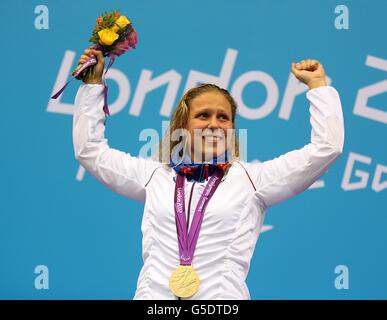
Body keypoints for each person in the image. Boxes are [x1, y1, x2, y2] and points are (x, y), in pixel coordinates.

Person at [73, 47, 344, 299]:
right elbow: (89, 151)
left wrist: (318, 87)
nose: (214, 123)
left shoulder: (252, 181)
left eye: (223, 117)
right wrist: (92, 87)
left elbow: (326, 148)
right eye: (203, 115)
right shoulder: (155, 176)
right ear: (184, 124)